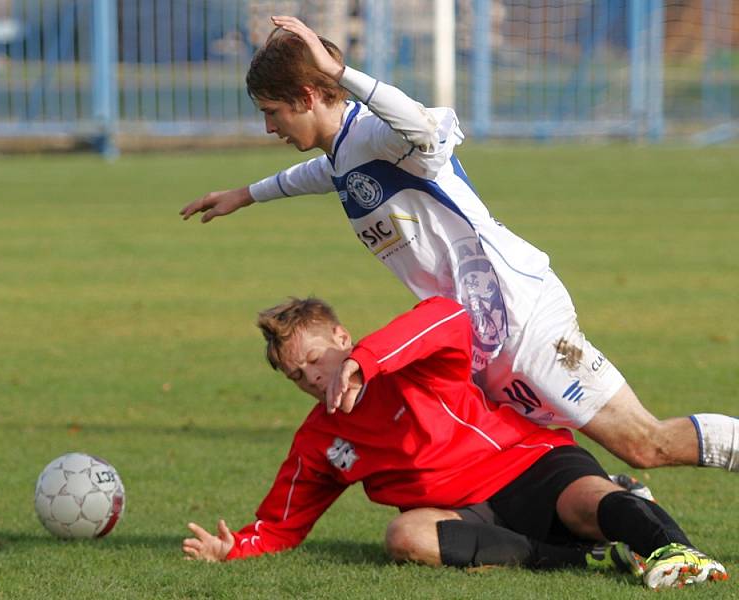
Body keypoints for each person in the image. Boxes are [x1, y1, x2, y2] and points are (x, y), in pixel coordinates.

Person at [179, 16, 739, 476]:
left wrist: (343, 72)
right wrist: (244, 195)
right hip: (481, 339)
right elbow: (317, 176)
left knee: (646, 443)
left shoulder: (378, 133)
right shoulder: (345, 153)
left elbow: (423, 128)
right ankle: (610, 507)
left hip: (522, 319)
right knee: (511, 454)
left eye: (271, 113)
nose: (268, 128)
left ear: (306, 96)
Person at [181, 295, 728, 590]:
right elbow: (280, 525)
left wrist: (367, 362)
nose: (312, 380)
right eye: (295, 376)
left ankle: (676, 551)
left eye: (316, 361)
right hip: (468, 515)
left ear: (342, 339)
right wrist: (236, 549)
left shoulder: (406, 367)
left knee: (587, 502)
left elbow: (449, 314)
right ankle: (579, 558)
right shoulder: (319, 441)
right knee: (405, 535)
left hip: (529, 465)